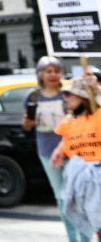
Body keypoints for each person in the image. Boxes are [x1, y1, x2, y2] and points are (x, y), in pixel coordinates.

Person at [21, 56, 84, 242]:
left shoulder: (68, 93)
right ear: (40, 74)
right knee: (61, 196)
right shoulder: (33, 96)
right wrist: (26, 123)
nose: (53, 75)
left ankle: (85, 236)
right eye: (49, 71)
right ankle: (73, 237)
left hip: (73, 149)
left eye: (56, 71)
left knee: (77, 195)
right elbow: (26, 125)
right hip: (47, 151)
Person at [50, 73, 101, 241]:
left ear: (83, 96)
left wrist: (97, 89)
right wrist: (59, 150)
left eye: (69, 94)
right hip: (81, 179)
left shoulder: (98, 116)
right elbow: (67, 137)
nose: (65, 98)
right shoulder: (69, 120)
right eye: (64, 94)